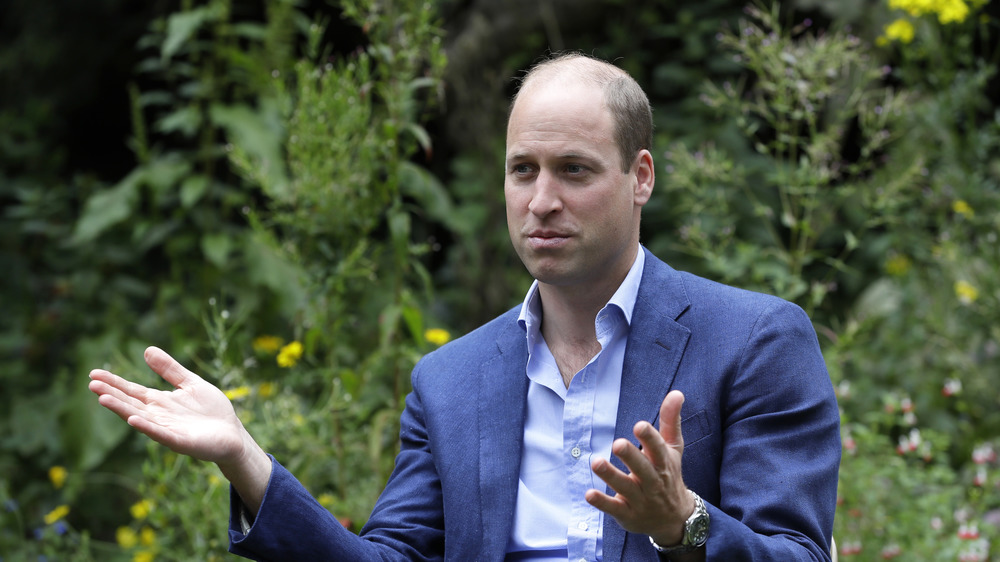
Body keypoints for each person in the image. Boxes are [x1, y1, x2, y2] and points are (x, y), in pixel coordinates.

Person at [89, 52, 841, 561]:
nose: (542, 201)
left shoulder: (754, 341)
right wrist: (246, 460)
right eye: (524, 170)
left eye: (574, 170)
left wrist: (684, 526)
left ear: (640, 176)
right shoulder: (451, 381)